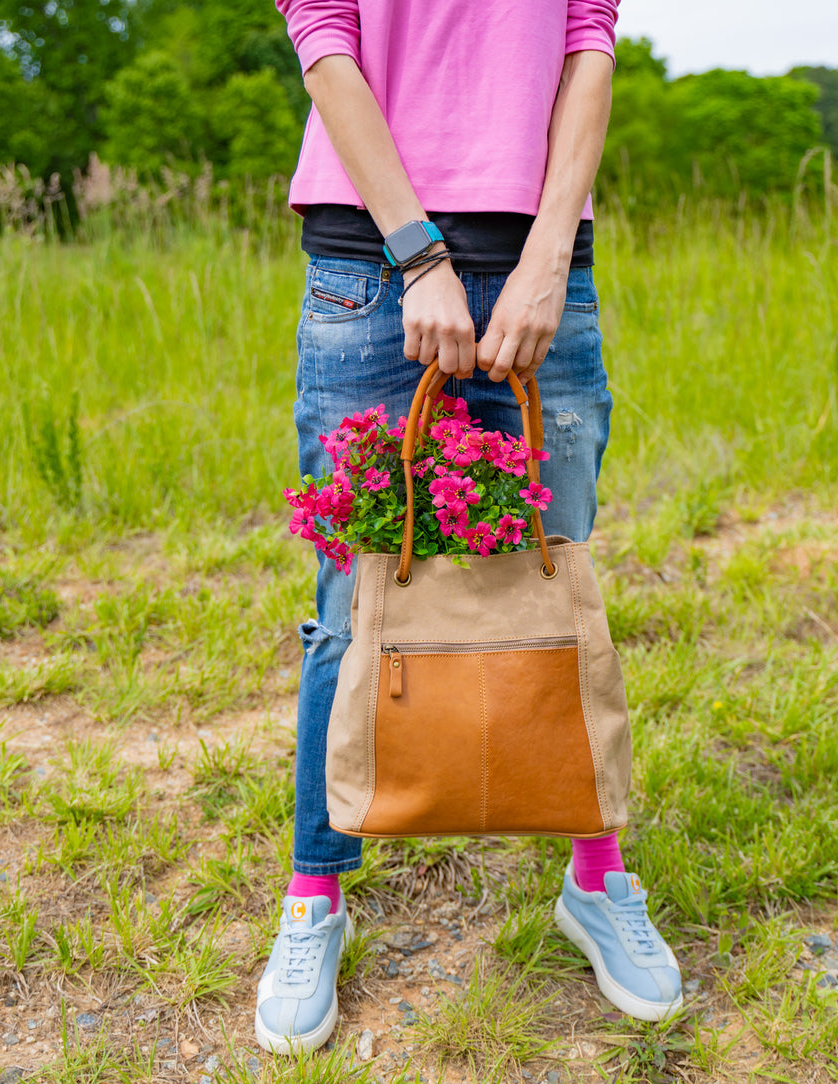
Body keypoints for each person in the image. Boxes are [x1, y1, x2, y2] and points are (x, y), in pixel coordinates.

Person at [258, 0, 682, 1054]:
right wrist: (419, 256)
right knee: (348, 607)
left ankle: (595, 881)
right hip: (370, 270)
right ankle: (316, 895)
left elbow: (589, 45)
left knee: (552, 583)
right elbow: (325, 49)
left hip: (546, 277)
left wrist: (546, 258)